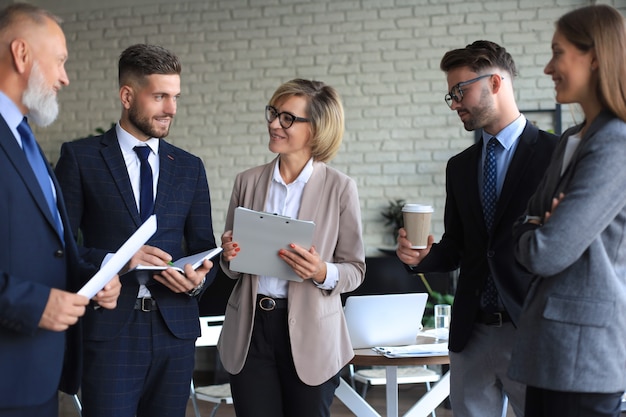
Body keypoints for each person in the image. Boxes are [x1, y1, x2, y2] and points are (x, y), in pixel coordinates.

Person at [396, 40, 558, 417]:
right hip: (471, 333)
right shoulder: (461, 166)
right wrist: (421, 257)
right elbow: (459, 245)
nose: (454, 103)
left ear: (496, 83)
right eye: (450, 94)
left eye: (460, 91)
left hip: (531, 330)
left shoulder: (556, 154)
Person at [54, 44, 217, 417]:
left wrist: (196, 280)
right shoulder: (80, 159)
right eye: (159, 96)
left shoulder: (190, 167)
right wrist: (118, 261)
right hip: (110, 332)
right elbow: (59, 247)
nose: (171, 109)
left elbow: (203, 246)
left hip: (175, 332)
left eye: (175, 97)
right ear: (127, 96)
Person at [217, 78, 365, 417]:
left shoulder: (341, 188)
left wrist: (321, 271)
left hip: (313, 334)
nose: (273, 124)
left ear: (316, 129)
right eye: (273, 113)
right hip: (251, 330)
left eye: (287, 118)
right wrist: (229, 254)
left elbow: (355, 268)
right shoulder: (247, 181)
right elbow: (231, 266)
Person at [0, 4, 120, 417]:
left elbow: (51, 247)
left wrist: (101, 269)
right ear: (21, 54)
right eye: (61, 61)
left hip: (39, 377)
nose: (65, 77)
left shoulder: (26, 141)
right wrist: (33, 304)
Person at [509, 5, 626, 417]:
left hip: (584, 359)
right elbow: (525, 229)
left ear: (594, 56)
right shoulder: (573, 139)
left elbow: (547, 252)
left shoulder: (616, 144)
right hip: (550, 355)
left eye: (558, 52)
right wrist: (538, 228)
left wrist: (539, 232)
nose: (547, 67)